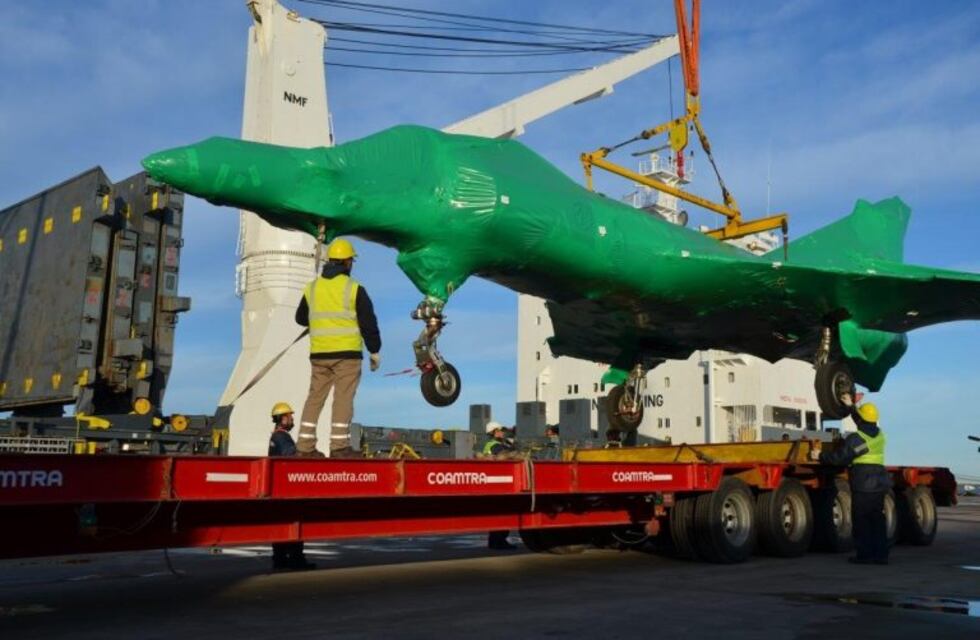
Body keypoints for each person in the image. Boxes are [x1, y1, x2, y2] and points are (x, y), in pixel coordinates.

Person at [294, 238, 381, 458]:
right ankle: (339, 447)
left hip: (319, 354)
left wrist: (321, 321)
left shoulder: (312, 288)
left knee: (314, 398)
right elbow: (368, 322)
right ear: (347, 262)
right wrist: (374, 350)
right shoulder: (354, 289)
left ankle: (304, 448)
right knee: (343, 399)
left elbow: (300, 318)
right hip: (347, 355)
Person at [814, 392, 891, 565]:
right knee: (877, 520)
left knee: (862, 521)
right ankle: (881, 555)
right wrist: (851, 406)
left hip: (864, 484)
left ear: (862, 420)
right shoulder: (880, 435)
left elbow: (840, 458)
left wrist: (820, 455)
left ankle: (864, 556)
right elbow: (862, 421)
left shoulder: (857, 439)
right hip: (879, 483)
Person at [268, 402, 316, 571]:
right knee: (295, 523)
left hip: (279, 489)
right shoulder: (282, 437)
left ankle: (280, 560)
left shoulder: (275, 436)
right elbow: (292, 456)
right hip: (287, 489)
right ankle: (296, 560)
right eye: (289, 416)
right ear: (282, 419)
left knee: (280, 526)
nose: (292, 419)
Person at [482, 421, 518, 550]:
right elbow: (509, 454)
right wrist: (514, 444)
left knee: (498, 514)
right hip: (499, 483)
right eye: (500, 430)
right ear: (494, 432)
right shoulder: (495, 446)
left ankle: (494, 542)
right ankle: (499, 541)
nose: (502, 432)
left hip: (495, 482)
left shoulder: (493, 444)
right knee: (503, 514)